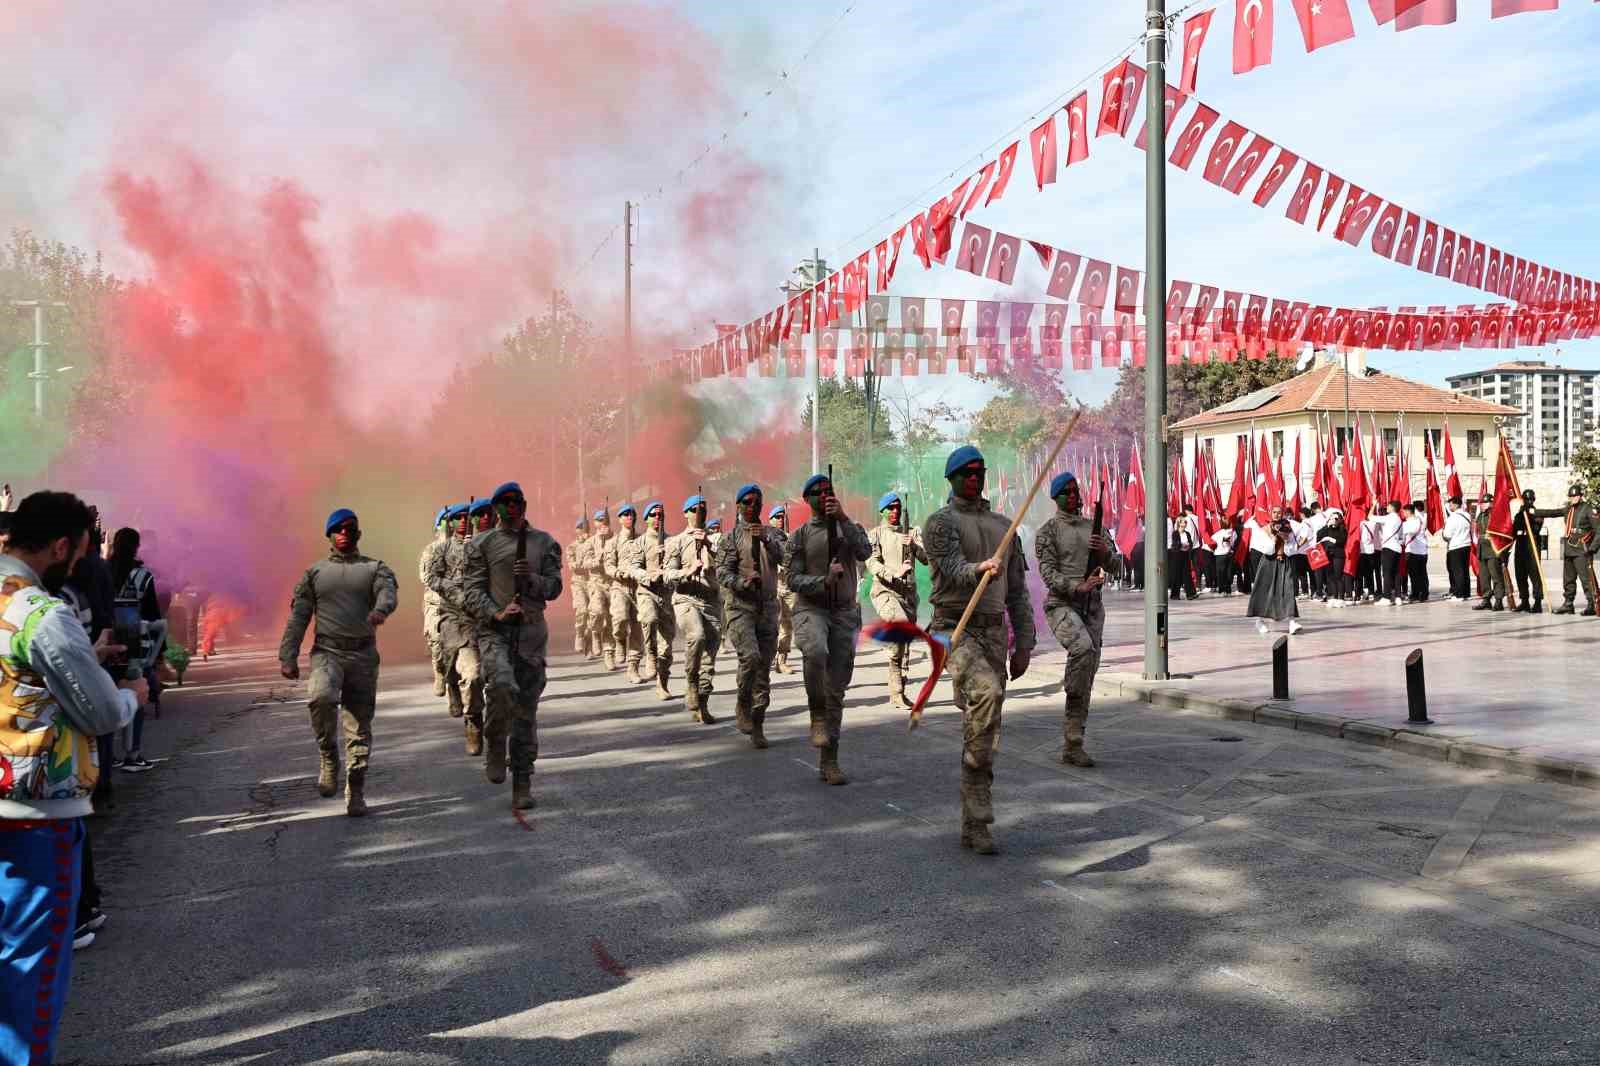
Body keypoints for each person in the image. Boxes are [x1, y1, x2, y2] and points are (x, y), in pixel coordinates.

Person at [0, 491, 144, 1065]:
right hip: (36, 819)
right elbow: (102, 713)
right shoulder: (41, 613)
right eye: (82, 553)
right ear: (61, 547)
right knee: (31, 968)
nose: (83, 564)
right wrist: (130, 696)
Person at [925, 445, 1035, 855]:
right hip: (953, 628)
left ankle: (973, 825)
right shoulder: (939, 523)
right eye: (965, 472)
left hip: (992, 633)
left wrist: (1024, 643)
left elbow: (1019, 594)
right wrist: (980, 569)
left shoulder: (1006, 527)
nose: (974, 477)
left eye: (979, 471)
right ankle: (977, 793)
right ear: (951, 478)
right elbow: (952, 570)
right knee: (988, 694)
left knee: (987, 724)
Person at [278, 508, 399, 817]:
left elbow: (388, 592)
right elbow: (299, 617)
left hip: (362, 655)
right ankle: (328, 755)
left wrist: (381, 611)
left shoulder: (375, 568)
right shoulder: (315, 574)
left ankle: (355, 789)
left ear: (358, 533)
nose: (344, 532)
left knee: (359, 726)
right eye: (338, 529)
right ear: (330, 536)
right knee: (320, 697)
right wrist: (288, 655)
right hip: (327, 652)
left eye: (350, 528)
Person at [463, 482, 561, 810]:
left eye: (516, 501)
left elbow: (555, 587)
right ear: (495, 509)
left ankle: (522, 778)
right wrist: (498, 612)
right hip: (496, 633)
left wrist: (532, 579)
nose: (511, 507)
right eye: (504, 503)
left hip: (532, 634)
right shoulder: (482, 544)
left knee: (525, 712)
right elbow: (472, 591)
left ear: (524, 504)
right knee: (502, 686)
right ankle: (494, 745)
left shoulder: (544, 543)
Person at [784, 474, 872, 785]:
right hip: (813, 608)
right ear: (807, 500)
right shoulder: (799, 536)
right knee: (815, 650)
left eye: (829, 491)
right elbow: (791, 580)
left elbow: (865, 552)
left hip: (844, 613)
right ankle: (815, 713)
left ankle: (829, 759)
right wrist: (822, 580)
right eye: (818, 493)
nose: (825, 496)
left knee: (836, 690)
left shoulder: (849, 528)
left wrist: (844, 518)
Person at [1035, 472, 1108, 767]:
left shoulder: (1094, 527)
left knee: (1087, 674)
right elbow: (1048, 572)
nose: (1073, 495)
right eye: (1066, 492)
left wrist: (1104, 551)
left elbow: (1114, 561)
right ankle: (1073, 737)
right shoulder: (1048, 532)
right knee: (1082, 650)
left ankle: (1073, 743)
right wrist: (1076, 586)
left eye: (1076, 490)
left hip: (1092, 608)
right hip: (1062, 605)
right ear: (1056, 498)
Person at [717, 484, 784, 751]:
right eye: (746, 501)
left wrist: (767, 539)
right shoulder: (731, 538)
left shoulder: (774, 534)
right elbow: (722, 572)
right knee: (751, 657)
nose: (752, 505)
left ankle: (758, 723)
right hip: (740, 607)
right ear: (739, 506)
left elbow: (788, 558)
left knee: (764, 671)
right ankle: (742, 702)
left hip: (767, 608)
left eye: (757, 501)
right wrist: (743, 582)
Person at [429, 503, 487, 754]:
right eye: (458, 517)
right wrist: (456, 592)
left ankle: (478, 720)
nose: (463, 521)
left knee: (482, 676)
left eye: (467, 517)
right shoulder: (440, 549)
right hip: (454, 618)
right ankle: (462, 703)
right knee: (457, 668)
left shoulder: (485, 546)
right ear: (450, 523)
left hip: (484, 619)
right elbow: (430, 578)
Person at [865, 491, 927, 710]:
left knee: (905, 643)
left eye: (898, 508)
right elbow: (872, 564)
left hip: (908, 595)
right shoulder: (876, 534)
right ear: (882, 511)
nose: (895, 512)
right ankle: (896, 692)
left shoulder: (912, 532)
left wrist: (915, 545)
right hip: (885, 592)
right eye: (890, 508)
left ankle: (900, 690)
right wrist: (895, 572)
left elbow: (927, 559)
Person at [107, 527, 163, 771]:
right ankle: (133, 754)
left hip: (105, 644)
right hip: (135, 646)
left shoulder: (101, 571)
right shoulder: (143, 576)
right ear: (136, 547)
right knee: (136, 698)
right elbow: (152, 615)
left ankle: (107, 755)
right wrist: (159, 653)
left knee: (106, 699)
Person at [663, 495, 720, 724]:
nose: (700, 512)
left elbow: (728, 559)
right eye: (695, 509)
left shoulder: (716, 539)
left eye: (704, 508)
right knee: (696, 636)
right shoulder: (675, 542)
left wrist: (707, 543)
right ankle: (691, 682)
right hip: (686, 598)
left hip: (711, 600)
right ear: (686, 513)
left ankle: (703, 701)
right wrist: (686, 572)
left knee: (710, 654)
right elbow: (667, 575)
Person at [622, 500, 675, 701]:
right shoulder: (640, 542)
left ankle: (662, 683)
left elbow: (679, 568)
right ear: (646, 519)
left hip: (666, 595)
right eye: (653, 515)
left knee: (667, 646)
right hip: (646, 592)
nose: (657, 519)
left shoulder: (671, 541)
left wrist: (668, 562)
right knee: (649, 619)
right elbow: (634, 567)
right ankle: (650, 653)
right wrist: (648, 575)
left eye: (660, 515)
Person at [1535, 485, 1596, 616]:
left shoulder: (1588, 509)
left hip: (1582, 550)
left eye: (1576, 496)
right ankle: (1568, 604)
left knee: (1586, 579)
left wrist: (1592, 548)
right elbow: (1553, 513)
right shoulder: (1568, 509)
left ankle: (1592, 604)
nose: (1573, 498)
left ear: (1581, 496)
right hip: (1569, 549)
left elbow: (1598, 530)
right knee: (1568, 579)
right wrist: (1534, 512)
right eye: (1571, 496)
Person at [603, 503, 644, 682]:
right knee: (619, 620)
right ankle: (619, 640)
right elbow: (608, 565)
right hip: (620, 586)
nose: (629, 517)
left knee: (637, 626)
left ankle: (633, 667)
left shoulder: (642, 540)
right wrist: (618, 573)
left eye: (631, 514)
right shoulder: (613, 542)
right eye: (625, 514)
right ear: (619, 519)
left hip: (639, 587)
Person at [1247, 506, 1301, 635]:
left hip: (1284, 562)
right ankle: (1259, 621)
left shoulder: (1288, 529)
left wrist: (1286, 541)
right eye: (1274, 512)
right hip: (1268, 563)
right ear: (1270, 513)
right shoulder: (1263, 530)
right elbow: (1266, 550)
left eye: (1279, 513)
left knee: (1288, 590)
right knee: (1264, 592)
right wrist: (1274, 538)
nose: (1277, 515)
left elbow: (1294, 549)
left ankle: (1292, 622)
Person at [420, 507, 451, 696]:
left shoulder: (465, 546)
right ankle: (440, 671)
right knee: (437, 643)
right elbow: (425, 576)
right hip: (436, 603)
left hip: (460, 606)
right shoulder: (430, 550)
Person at [768, 505, 795, 674]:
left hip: (789, 586)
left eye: (782, 517)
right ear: (770, 519)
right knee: (772, 624)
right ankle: (769, 656)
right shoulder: (766, 538)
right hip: (773, 585)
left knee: (788, 625)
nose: (780, 519)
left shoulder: (791, 538)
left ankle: (782, 660)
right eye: (777, 517)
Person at [1510, 490, 1545, 613]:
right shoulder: (1519, 514)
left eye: (1531, 500)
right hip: (1520, 547)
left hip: (1532, 548)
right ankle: (1524, 601)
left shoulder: (1537, 514)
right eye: (1527, 500)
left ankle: (1537, 601)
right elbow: (1514, 530)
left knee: (1535, 576)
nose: (1529, 502)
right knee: (1520, 575)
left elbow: (1536, 529)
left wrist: (1529, 516)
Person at [586, 509, 614, 667]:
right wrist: (598, 557)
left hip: (612, 582)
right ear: (595, 523)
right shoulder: (590, 542)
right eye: (599, 520)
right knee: (596, 611)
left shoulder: (615, 539)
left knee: (611, 618)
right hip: (596, 581)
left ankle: (608, 651)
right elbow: (585, 563)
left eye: (605, 520)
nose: (602, 523)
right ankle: (595, 632)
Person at [1472, 499, 1509, 612]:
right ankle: (1486, 599)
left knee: (1496, 576)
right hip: (1482, 549)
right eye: (1482, 503)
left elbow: (1502, 531)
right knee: (1484, 577)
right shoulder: (1481, 516)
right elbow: (1478, 530)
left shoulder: (1496, 515)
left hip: (1493, 549)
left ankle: (1498, 600)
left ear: (1491, 503)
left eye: (1484, 503)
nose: (1482, 505)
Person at [1441, 496, 1473, 602]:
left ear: (1455, 504)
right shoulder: (1467, 515)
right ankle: (1466, 592)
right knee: (1464, 570)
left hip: (1455, 547)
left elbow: (1447, 534)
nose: (1450, 506)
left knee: (1457, 571)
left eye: (1450, 504)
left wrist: (1443, 533)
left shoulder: (1452, 518)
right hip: (1466, 545)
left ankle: (1458, 594)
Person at [570, 517, 593, 656]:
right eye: (580, 527)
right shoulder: (572, 547)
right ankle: (579, 633)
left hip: (592, 582)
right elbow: (573, 566)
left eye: (584, 527)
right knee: (582, 610)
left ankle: (588, 645)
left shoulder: (593, 543)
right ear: (576, 530)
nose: (582, 530)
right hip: (578, 582)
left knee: (593, 615)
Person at [1167, 506, 1197, 601]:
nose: (1185, 524)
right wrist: (1182, 545)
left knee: (1187, 574)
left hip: (1185, 555)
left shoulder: (1187, 533)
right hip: (1177, 555)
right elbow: (1175, 544)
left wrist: (1189, 546)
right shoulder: (1175, 533)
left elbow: (1191, 543)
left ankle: (1191, 593)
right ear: (1179, 524)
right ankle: (1175, 594)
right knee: (1176, 574)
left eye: (1185, 522)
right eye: (1183, 522)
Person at [1401, 502, 1429, 603]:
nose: (1403, 513)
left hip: (1412, 551)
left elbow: (1403, 538)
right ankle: (1424, 594)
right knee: (1423, 574)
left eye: (1404, 511)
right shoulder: (1421, 521)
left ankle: (1416, 594)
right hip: (1423, 551)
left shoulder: (1407, 523)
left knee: (1414, 575)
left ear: (1408, 512)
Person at [1319, 509, 1347, 607]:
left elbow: (1342, 540)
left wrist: (1332, 540)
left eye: (1336, 518)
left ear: (1339, 519)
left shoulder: (1342, 529)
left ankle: (1341, 597)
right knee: (1330, 576)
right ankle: (1334, 596)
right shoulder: (1328, 529)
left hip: (1338, 555)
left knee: (1338, 576)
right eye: (1332, 518)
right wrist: (1327, 524)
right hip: (1328, 554)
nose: (1334, 520)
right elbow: (1319, 535)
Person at [1377, 501, 1403, 606]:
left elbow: (1370, 517)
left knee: (1387, 573)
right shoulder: (1400, 520)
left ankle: (1386, 597)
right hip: (1397, 548)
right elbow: (1401, 538)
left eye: (1388, 506)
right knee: (1396, 573)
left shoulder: (1388, 517)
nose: (1386, 507)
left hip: (1388, 548)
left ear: (1392, 507)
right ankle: (1398, 597)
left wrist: (1374, 504)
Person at [1209, 518, 1237, 596]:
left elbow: (1211, 542)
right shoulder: (1233, 532)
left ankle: (1221, 590)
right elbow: (1234, 543)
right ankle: (1228, 590)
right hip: (1229, 554)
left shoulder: (1218, 533)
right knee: (1228, 573)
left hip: (1220, 555)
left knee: (1220, 573)